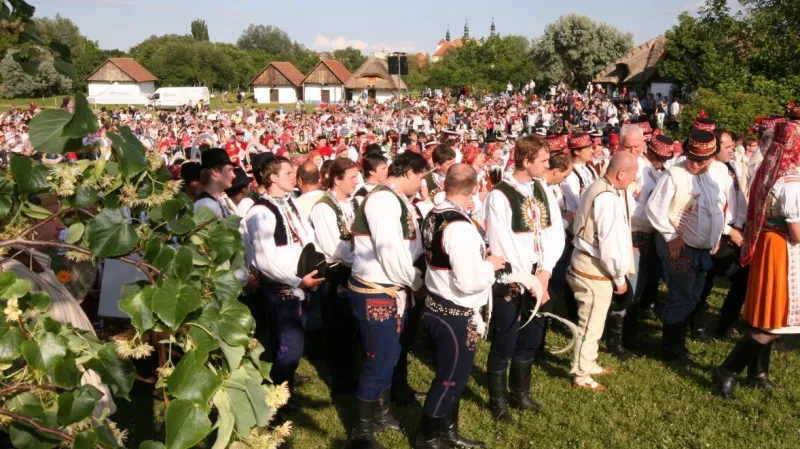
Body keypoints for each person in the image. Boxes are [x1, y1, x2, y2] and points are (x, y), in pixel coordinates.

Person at [415, 164, 504, 449]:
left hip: (437, 304)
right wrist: (489, 266)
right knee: (450, 380)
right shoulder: (460, 227)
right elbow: (468, 282)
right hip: (452, 311)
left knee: (452, 377)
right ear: (476, 188)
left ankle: (448, 432)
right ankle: (427, 438)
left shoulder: (435, 212)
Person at [713, 119, 800, 399]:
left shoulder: (771, 172)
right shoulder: (792, 181)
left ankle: (757, 371)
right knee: (774, 320)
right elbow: (797, 231)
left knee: (767, 314)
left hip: (770, 245)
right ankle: (728, 370)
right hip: (782, 249)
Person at [347, 151, 428, 449]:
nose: (421, 184)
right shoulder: (383, 199)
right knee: (377, 359)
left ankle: (380, 414)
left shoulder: (394, 198)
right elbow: (389, 251)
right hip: (377, 289)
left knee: (391, 355)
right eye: (420, 177)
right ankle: (360, 432)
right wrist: (417, 283)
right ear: (409, 173)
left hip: (391, 288)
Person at [484, 135, 564, 423]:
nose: (548, 165)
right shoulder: (499, 195)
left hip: (539, 276)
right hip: (513, 279)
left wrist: (544, 272)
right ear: (525, 160)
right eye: (543, 160)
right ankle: (498, 402)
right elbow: (502, 243)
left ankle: (520, 393)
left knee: (531, 338)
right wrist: (530, 280)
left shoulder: (542, 187)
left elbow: (555, 233)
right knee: (505, 340)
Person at [646, 130, 732, 364]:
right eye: (691, 157)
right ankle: (672, 350)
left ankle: (677, 345)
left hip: (703, 248)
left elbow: (717, 209)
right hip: (680, 246)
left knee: (694, 296)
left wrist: (714, 238)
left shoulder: (713, 176)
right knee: (681, 296)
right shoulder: (674, 174)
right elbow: (654, 209)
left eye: (700, 160)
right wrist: (671, 235)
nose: (694, 163)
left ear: (711, 159)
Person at [245, 156, 326, 403]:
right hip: (282, 284)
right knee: (290, 344)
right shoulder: (260, 211)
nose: (294, 176)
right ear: (273, 177)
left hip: (300, 279)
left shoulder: (289, 202)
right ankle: (277, 396)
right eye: (288, 172)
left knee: (295, 340)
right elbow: (264, 258)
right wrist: (295, 281)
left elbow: (304, 236)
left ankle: (284, 386)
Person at [568, 151, 638, 390]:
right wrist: (619, 277)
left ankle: (589, 361)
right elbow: (609, 244)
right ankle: (581, 374)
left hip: (588, 262)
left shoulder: (599, 186)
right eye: (633, 175)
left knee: (595, 320)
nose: (634, 179)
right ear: (621, 173)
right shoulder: (607, 198)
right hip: (593, 267)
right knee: (590, 323)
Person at [613, 134, 674, 358]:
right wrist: (656, 217)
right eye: (658, 156)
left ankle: (629, 336)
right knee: (629, 287)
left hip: (647, 235)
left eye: (640, 145)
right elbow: (630, 206)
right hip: (635, 233)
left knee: (638, 290)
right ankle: (616, 340)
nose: (661, 161)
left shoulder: (652, 171)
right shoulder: (636, 170)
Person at [691, 129, 749, 341]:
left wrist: (739, 225)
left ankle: (725, 324)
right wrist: (729, 231)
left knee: (742, 278)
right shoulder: (709, 171)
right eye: (728, 147)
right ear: (714, 149)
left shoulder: (730, 167)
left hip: (732, 231)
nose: (733, 150)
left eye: (733, 146)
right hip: (715, 232)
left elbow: (739, 198)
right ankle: (696, 328)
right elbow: (710, 207)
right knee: (704, 283)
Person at [309, 157, 361, 395]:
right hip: (337, 273)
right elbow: (334, 249)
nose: (355, 181)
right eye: (351, 177)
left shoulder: (350, 203)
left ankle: (351, 373)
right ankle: (340, 380)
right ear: (337, 179)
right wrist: (363, 260)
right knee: (338, 328)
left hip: (354, 268)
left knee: (352, 326)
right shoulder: (323, 207)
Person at [560, 133, 598, 214]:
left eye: (591, 147)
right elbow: (576, 200)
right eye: (588, 148)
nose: (592, 151)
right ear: (577, 152)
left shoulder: (590, 169)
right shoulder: (570, 173)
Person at [194, 148, 236, 218]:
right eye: (229, 170)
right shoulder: (207, 205)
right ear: (214, 171)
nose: (234, 175)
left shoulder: (214, 202)